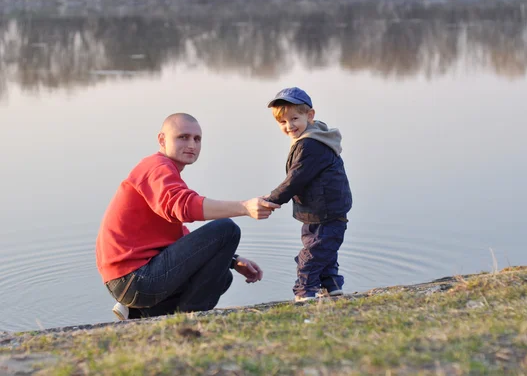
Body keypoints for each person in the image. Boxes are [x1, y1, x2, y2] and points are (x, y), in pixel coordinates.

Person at [96, 113, 280, 320]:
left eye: (197, 139)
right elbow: (183, 206)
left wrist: (233, 260)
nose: (192, 144)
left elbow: (179, 234)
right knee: (226, 229)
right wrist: (244, 207)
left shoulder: (165, 171)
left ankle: (144, 315)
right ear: (162, 140)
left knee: (221, 277)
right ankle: (188, 321)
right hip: (135, 278)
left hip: (132, 281)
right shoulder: (156, 168)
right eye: (183, 137)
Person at [264, 87, 352, 302]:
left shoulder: (312, 144)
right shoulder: (309, 137)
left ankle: (305, 292)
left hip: (328, 209)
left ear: (310, 115)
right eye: (282, 122)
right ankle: (331, 286)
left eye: (294, 118)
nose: (289, 126)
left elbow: (297, 177)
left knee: (312, 253)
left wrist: (272, 199)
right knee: (324, 250)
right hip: (315, 209)